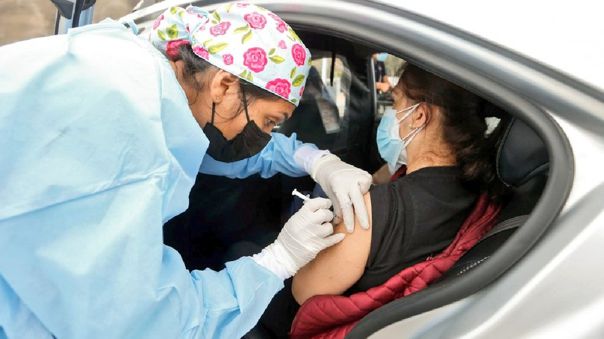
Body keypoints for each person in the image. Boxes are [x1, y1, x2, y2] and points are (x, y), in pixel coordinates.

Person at [0, 3, 372, 338]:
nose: (266, 137)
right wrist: (277, 261)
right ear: (225, 85)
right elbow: (139, 326)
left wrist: (315, 160)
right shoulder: (129, 141)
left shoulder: (137, 73)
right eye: (271, 122)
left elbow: (225, 147)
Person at [258, 63, 505, 336]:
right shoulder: (474, 186)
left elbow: (303, 290)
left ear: (419, 116)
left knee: (244, 250)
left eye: (395, 102)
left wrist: (292, 249)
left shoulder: (372, 211)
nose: (391, 115)